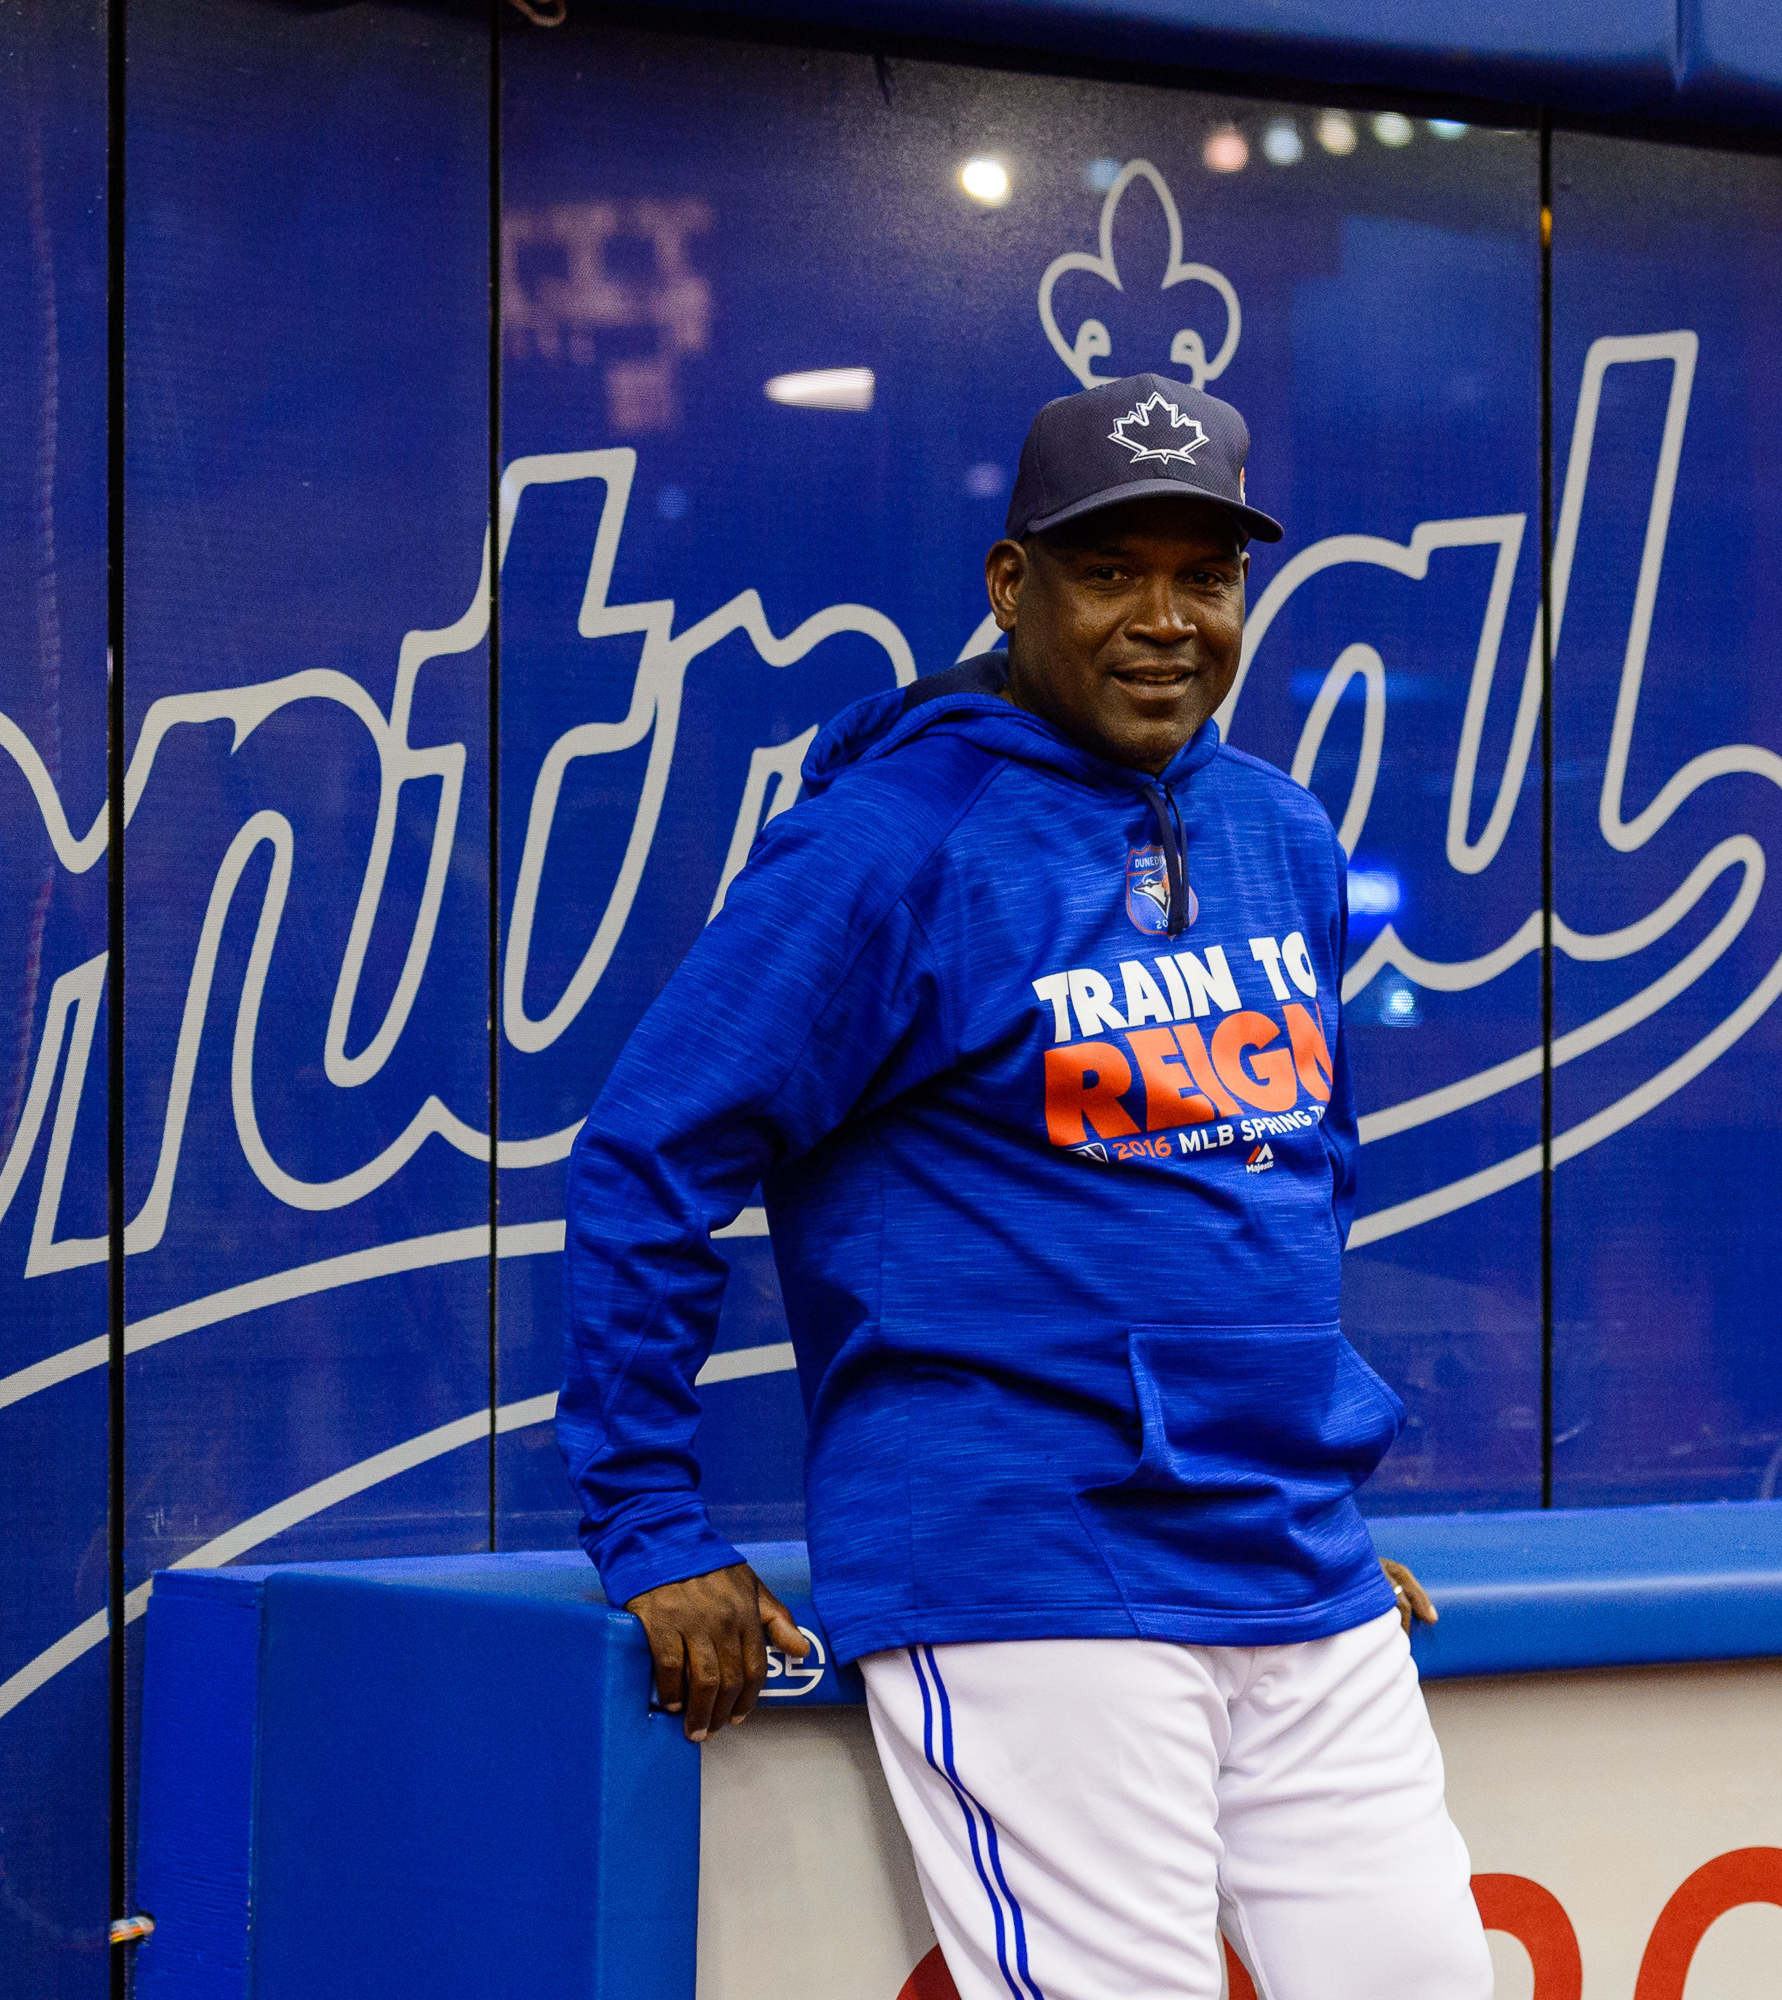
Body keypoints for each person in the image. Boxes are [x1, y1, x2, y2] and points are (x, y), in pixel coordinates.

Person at [556, 372, 1492, 2000]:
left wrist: (1290, 1456)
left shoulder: (1278, 826)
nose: (1163, 620)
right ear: (1012, 586)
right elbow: (650, 1157)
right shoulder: (896, 840)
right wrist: (649, 1520)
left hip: (1286, 1558)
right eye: (1108, 570)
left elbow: (1290, 1174)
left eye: (1205, 577)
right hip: (1030, 1560)